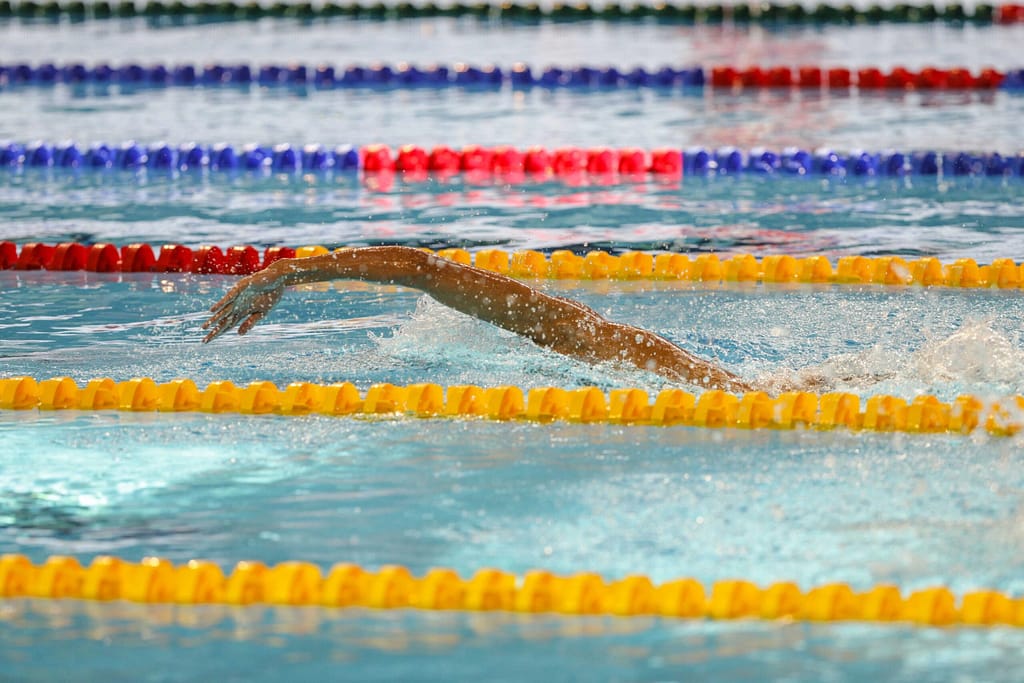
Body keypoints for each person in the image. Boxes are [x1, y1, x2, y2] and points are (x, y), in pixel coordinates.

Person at [202, 245, 757, 392]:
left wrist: (287, 273)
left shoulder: (582, 339)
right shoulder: (578, 336)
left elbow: (416, 268)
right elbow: (417, 269)